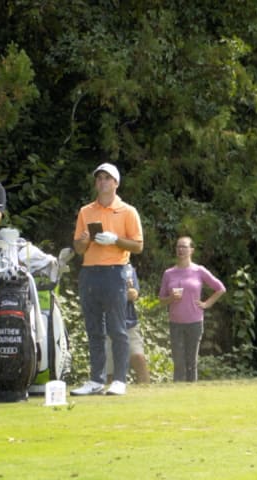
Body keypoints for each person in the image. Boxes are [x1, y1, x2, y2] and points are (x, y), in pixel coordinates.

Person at [71, 162, 144, 396]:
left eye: (107, 178)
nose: (102, 182)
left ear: (116, 183)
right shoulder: (86, 211)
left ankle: (120, 380)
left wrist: (115, 240)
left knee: (117, 328)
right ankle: (96, 380)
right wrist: (85, 240)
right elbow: (79, 247)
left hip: (115, 271)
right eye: (99, 178)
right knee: (94, 329)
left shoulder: (128, 211)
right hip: (90, 272)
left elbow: (138, 245)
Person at [159, 236, 226, 382]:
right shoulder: (169, 273)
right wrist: (171, 298)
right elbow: (161, 300)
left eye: (184, 247)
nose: (181, 250)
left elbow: (220, 288)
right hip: (175, 322)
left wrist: (207, 304)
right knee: (178, 362)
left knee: (191, 362)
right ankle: (177, 393)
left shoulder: (199, 270)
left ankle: (191, 393)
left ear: (191, 250)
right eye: (178, 247)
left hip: (195, 321)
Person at [105, 264, 150, 384]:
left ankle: (146, 396)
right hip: (108, 324)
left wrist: (125, 292)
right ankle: (111, 400)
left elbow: (134, 294)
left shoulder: (129, 268)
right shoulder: (101, 268)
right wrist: (123, 292)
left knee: (138, 358)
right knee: (110, 372)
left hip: (129, 323)